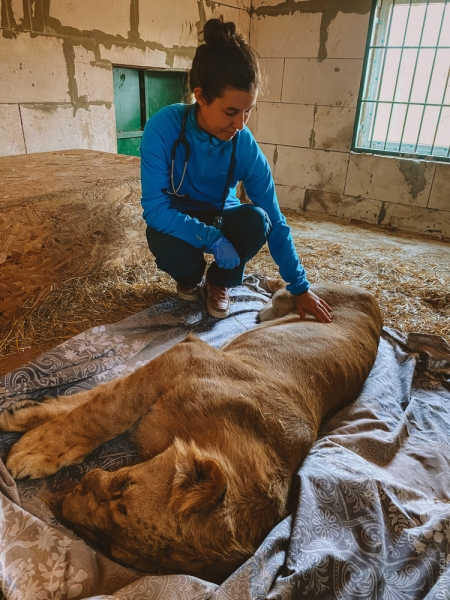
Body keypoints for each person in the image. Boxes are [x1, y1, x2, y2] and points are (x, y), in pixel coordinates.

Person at [140, 17, 332, 323]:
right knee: (168, 246)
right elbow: (155, 209)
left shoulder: (243, 143)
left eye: (248, 111)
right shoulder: (163, 128)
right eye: (231, 112)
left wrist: (300, 286)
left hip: (221, 212)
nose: (240, 124)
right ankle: (190, 278)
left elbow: (275, 220)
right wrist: (212, 239)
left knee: (258, 220)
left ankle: (220, 282)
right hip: (178, 216)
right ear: (201, 97)